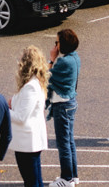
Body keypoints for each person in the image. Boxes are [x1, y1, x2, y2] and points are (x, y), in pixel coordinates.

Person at [9, 47, 49, 187]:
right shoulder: (34, 83)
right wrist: (12, 102)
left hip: (27, 144)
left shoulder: (30, 87)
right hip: (29, 142)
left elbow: (21, 117)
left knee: (31, 182)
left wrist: (2, 110)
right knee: (35, 181)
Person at [47, 29, 80, 187]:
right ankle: (73, 176)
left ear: (63, 45)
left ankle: (66, 179)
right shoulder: (75, 57)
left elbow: (47, 76)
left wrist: (51, 59)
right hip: (70, 103)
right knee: (69, 141)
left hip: (62, 105)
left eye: (57, 42)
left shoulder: (63, 62)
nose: (56, 45)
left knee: (63, 143)